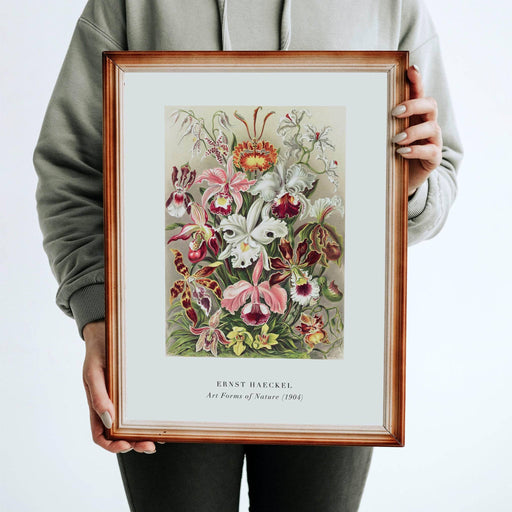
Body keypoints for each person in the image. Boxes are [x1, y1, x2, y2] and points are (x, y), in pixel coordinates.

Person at [33, 0, 463, 510]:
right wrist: (99, 317)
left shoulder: (390, 5)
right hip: (163, 359)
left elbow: (440, 175)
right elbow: (71, 170)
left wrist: (407, 186)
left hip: (334, 364)